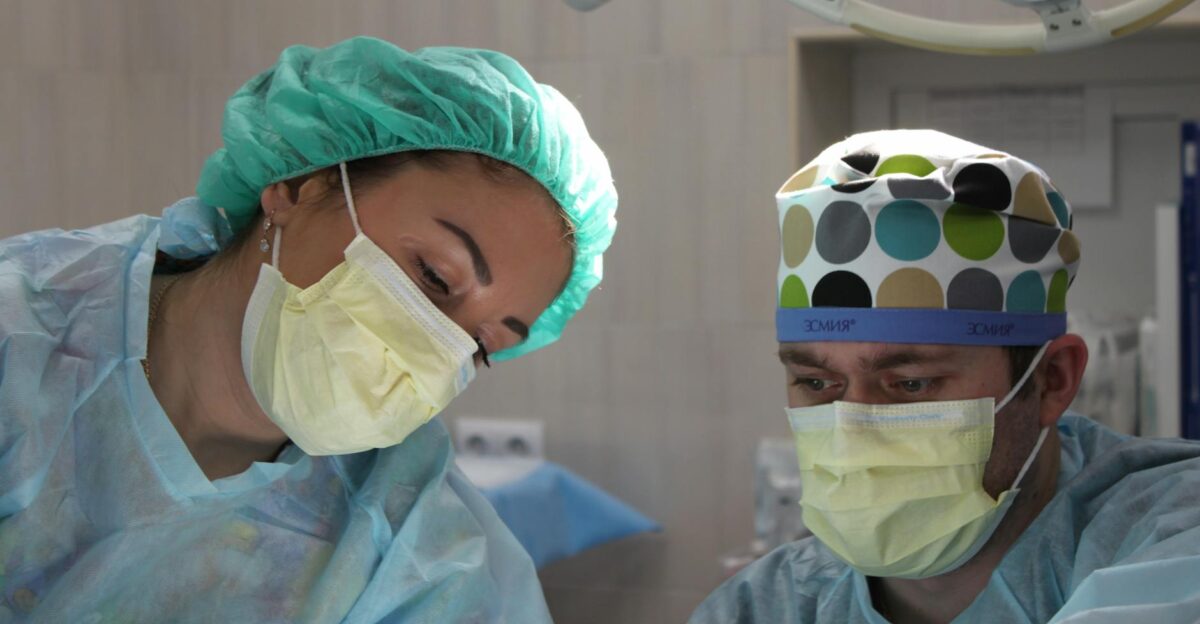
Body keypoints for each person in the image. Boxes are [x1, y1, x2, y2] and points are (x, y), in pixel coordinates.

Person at [0, 37, 617, 622]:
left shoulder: (414, 548)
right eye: (433, 274)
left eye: (480, 345)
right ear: (299, 187)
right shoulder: (19, 339)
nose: (434, 343)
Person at [690, 129, 1200, 623]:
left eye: (911, 384)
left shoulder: (1172, 533)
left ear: (1051, 379)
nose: (852, 430)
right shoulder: (767, 606)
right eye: (817, 384)